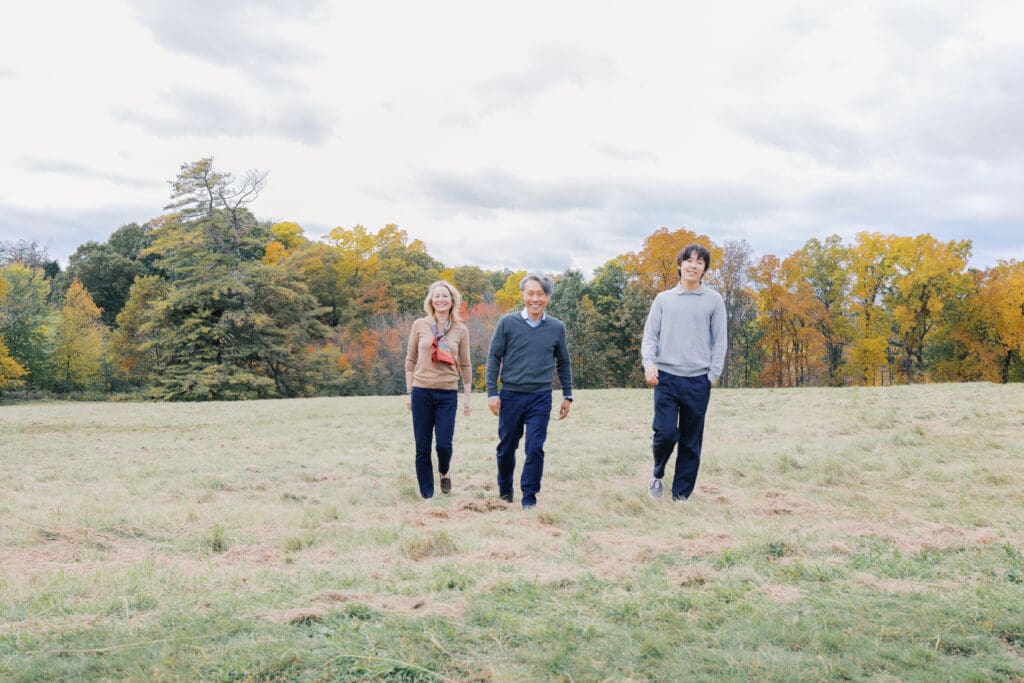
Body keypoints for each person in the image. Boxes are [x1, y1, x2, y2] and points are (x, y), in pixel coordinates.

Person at [641, 243, 728, 502]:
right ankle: (658, 472)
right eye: (689, 260)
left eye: (699, 262)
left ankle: (681, 496)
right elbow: (650, 336)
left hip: (698, 380)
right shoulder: (664, 299)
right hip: (666, 377)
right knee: (665, 433)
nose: (693, 265)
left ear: (704, 269)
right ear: (680, 265)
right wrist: (649, 363)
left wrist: (711, 375)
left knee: (691, 441)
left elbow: (720, 341)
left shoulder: (714, 301)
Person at [486, 273, 574, 509]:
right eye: (531, 293)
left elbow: (563, 363)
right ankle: (505, 493)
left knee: (535, 447)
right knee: (506, 448)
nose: (535, 299)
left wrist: (567, 395)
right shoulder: (507, 323)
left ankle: (529, 498)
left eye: (540, 294)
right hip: (511, 396)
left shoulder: (557, 327)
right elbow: (494, 357)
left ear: (547, 297)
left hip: (540, 397)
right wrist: (492, 393)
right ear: (523, 295)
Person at [405, 280, 472, 498]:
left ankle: (444, 471)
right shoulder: (419, 325)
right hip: (421, 391)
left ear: (452, 300)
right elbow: (410, 359)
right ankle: (427, 496)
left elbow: (465, 364)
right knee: (422, 446)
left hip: (447, 394)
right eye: (437, 296)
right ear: (431, 301)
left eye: (445, 296)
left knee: (443, 444)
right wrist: (409, 393)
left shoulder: (460, 330)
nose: (441, 299)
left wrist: (468, 398)